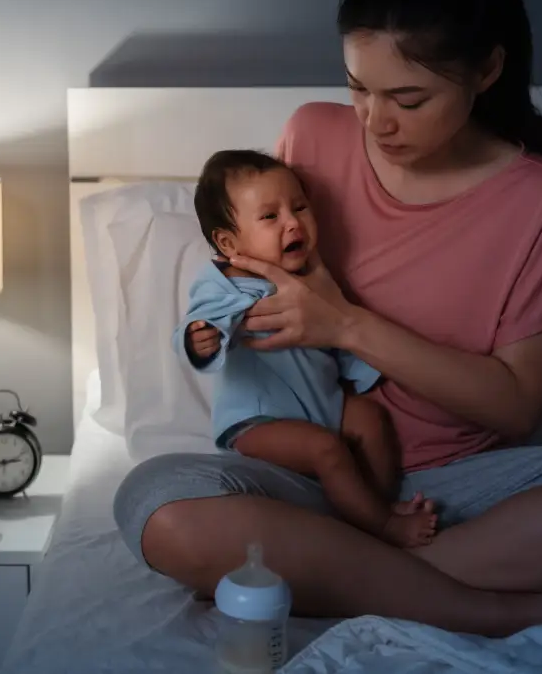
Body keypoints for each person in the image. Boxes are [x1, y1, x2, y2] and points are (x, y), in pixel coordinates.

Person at [113, 0, 542, 637]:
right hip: (313, 477)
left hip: (461, 490)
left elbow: (515, 408)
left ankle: (341, 575)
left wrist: (347, 324)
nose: (375, 122)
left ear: (485, 71)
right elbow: (249, 295)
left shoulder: (536, 199)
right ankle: (486, 601)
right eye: (358, 88)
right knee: (153, 499)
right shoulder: (311, 139)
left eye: (408, 100)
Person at [175, 149, 438, 548]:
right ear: (228, 242)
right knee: (326, 449)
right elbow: (200, 322)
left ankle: (375, 505)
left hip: (324, 404)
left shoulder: (314, 278)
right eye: (270, 216)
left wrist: (363, 372)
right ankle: (382, 530)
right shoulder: (225, 285)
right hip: (258, 421)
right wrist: (200, 336)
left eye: (299, 207)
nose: (293, 223)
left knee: (370, 420)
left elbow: (338, 334)